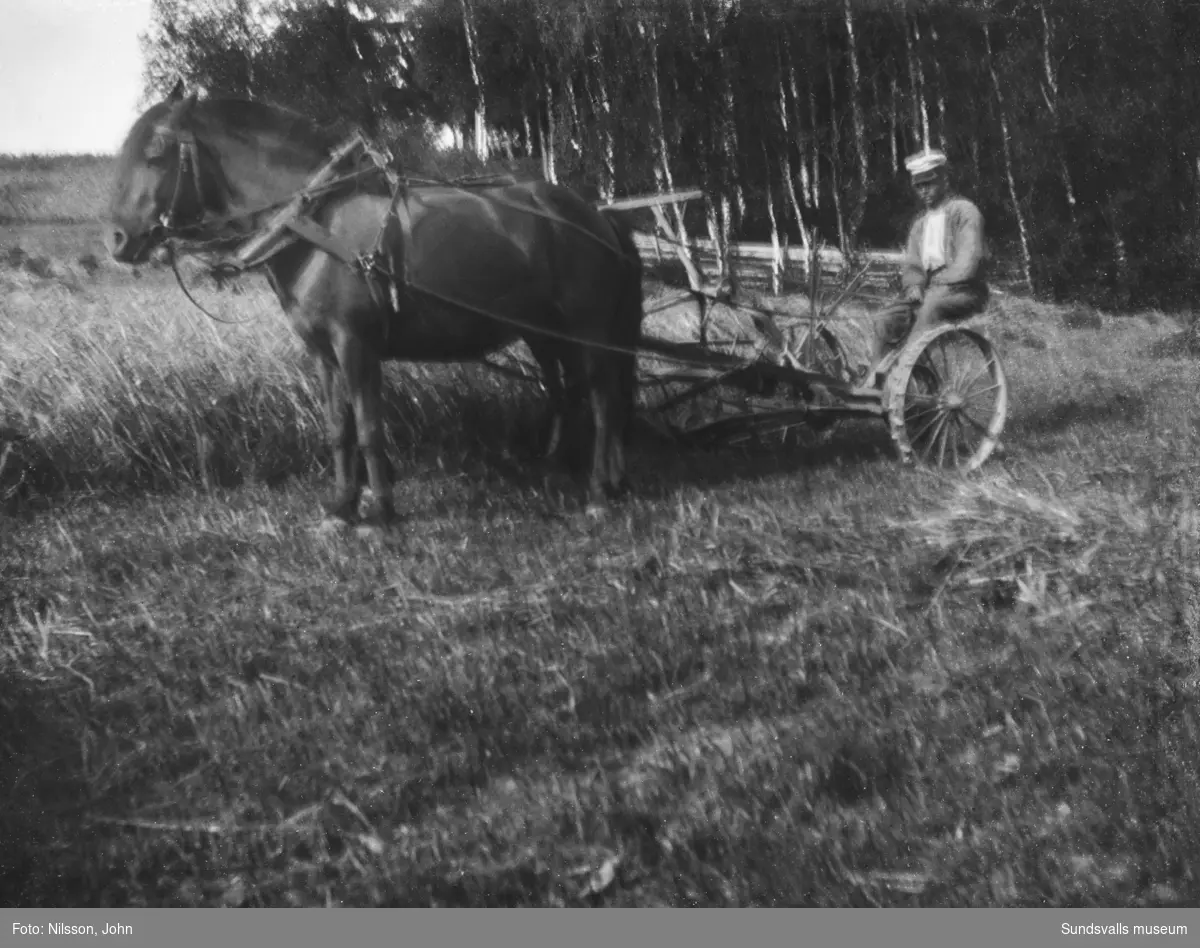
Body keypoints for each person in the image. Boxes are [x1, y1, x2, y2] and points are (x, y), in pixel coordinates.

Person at [869, 148, 990, 373]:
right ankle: (875, 376)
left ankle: (906, 374)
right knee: (885, 317)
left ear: (944, 179)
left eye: (929, 184)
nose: (924, 191)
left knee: (930, 309)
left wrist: (941, 283)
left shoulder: (965, 212)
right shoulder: (919, 225)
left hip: (964, 291)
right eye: (919, 186)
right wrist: (914, 285)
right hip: (928, 292)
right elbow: (914, 265)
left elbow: (969, 258)